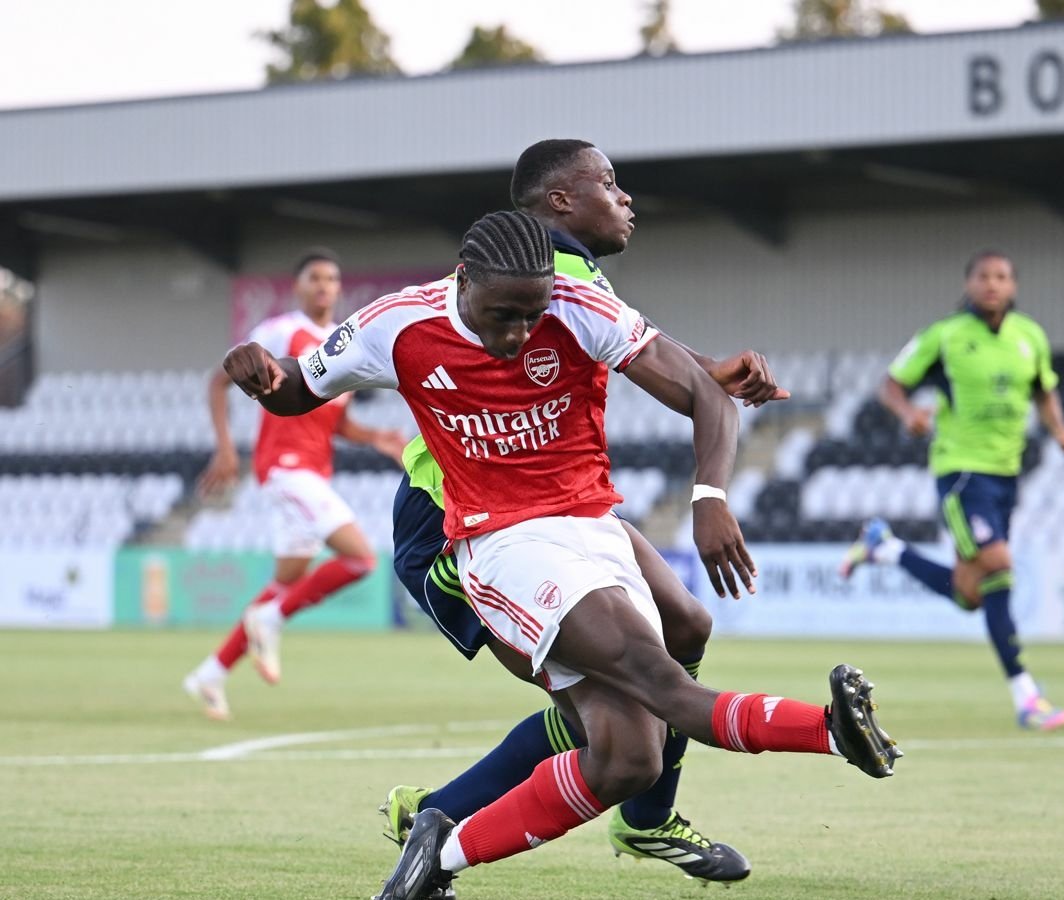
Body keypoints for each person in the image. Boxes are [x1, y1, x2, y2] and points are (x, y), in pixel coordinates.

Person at [221, 211, 897, 900]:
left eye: (530, 315)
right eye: (502, 316)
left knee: (630, 755)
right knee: (660, 684)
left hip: (592, 527)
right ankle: (828, 732)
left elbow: (703, 391)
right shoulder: (394, 324)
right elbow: (293, 391)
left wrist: (710, 496)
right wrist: (256, 372)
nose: (518, 334)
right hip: (502, 543)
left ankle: (439, 852)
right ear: (464, 281)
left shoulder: (577, 303)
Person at [380, 140, 788, 884]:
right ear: (560, 201)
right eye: (609, 182)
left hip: (552, 510)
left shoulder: (565, 271)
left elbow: (629, 340)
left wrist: (706, 369)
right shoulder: (536, 273)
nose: (626, 196)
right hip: (458, 520)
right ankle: (437, 813)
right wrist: (709, 482)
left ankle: (647, 819)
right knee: (601, 711)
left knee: (683, 629)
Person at [839, 250, 1064, 730]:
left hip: (1008, 475)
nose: (992, 284)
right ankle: (1026, 694)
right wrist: (910, 415)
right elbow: (892, 383)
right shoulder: (945, 336)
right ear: (969, 284)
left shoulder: (1030, 336)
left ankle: (886, 550)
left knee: (973, 593)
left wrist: (1060, 429)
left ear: (1013, 286)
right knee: (998, 562)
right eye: (984, 276)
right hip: (962, 473)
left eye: (1002, 276)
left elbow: (1043, 390)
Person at [183, 249, 406, 719]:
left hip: (313, 468)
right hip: (285, 467)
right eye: (315, 278)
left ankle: (212, 672)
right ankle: (270, 621)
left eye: (332, 278)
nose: (324, 285)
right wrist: (225, 448)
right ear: (299, 286)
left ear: (339, 288)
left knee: (286, 581)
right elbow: (217, 381)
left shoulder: (343, 343)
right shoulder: (280, 331)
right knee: (360, 558)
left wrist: (376, 437)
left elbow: (336, 422)